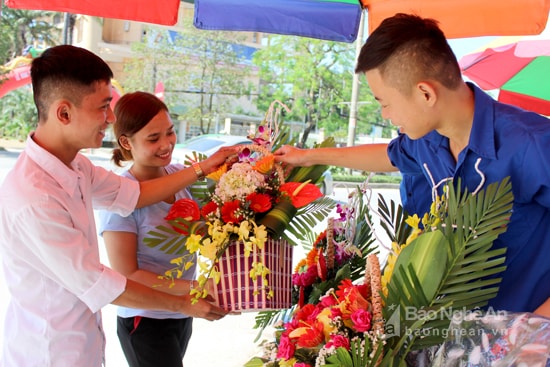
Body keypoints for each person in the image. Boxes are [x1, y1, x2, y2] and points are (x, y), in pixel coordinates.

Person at [274, 13, 550, 317]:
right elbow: (389, 156)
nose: (384, 114)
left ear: (425, 93)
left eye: (384, 102)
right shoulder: (427, 139)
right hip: (456, 336)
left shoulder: (531, 144)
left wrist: (536, 329)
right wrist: (307, 156)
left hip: (526, 342)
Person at [0, 45, 237, 366]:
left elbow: (134, 194)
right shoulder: (34, 195)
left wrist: (203, 168)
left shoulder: (77, 166)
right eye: (102, 108)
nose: (111, 118)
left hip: (84, 342)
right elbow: (100, 282)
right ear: (64, 113)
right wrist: (184, 302)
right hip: (48, 351)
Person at [98, 91, 208, 367]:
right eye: (153, 138)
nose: (166, 144)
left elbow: (210, 229)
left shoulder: (181, 177)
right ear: (126, 141)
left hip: (182, 314)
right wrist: (193, 288)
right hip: (145, 319)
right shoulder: (119, 199)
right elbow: (128, 274)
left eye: (169, 133)